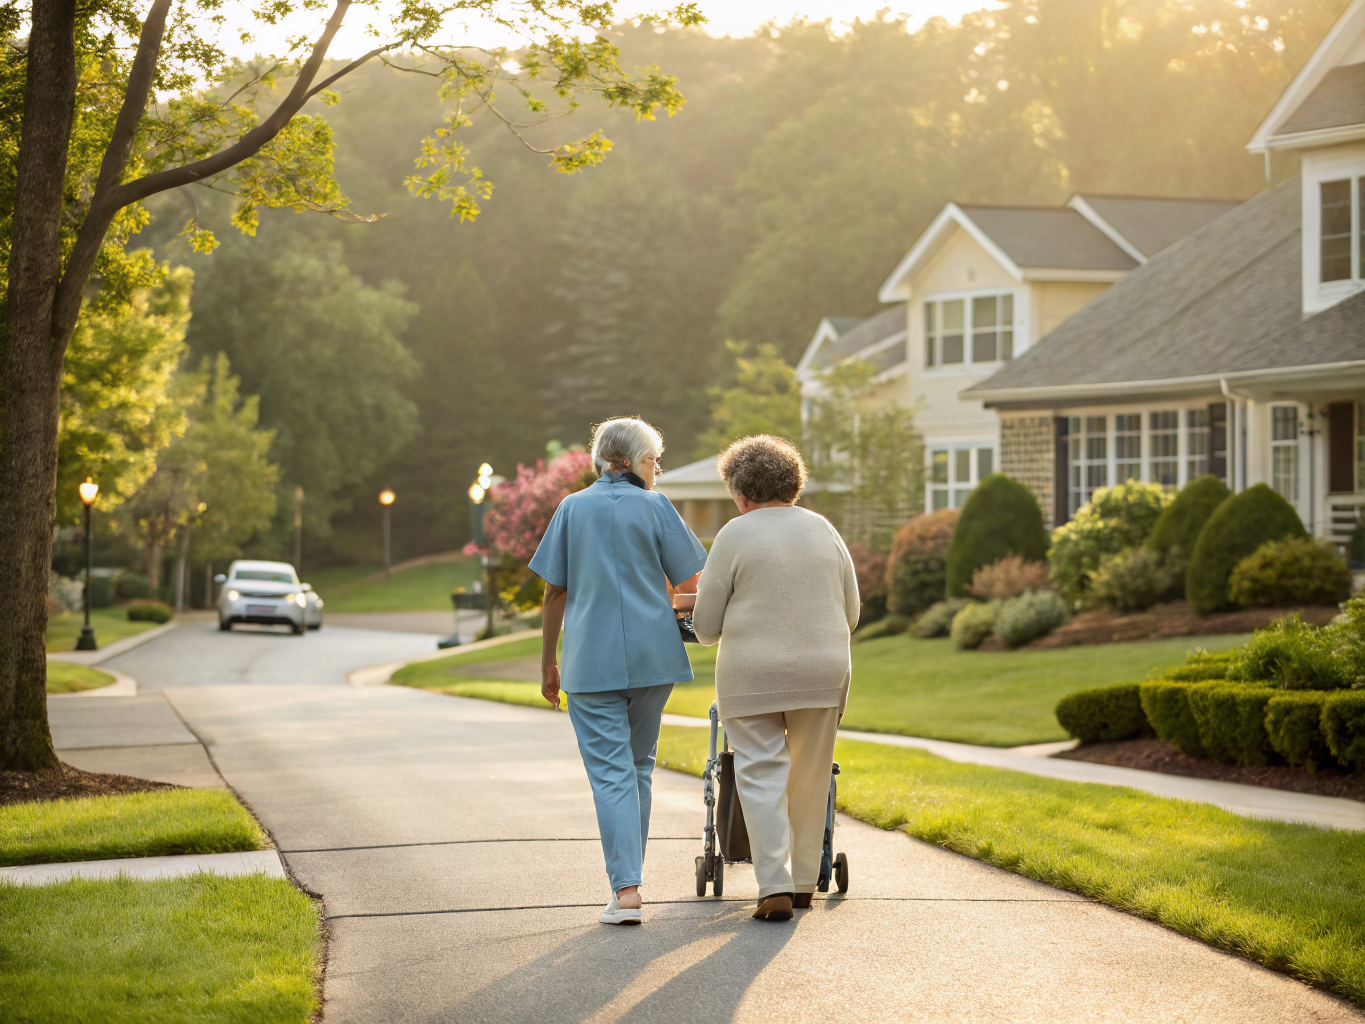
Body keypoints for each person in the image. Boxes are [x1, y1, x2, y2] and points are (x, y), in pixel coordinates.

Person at [529, 417, 708, 925]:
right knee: (638, 769)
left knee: (611, 775)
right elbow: (690, 579)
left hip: (590, 662)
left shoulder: (571, 508)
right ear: (628, 461)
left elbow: (554, 591)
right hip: (655, 659)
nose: (658, 470)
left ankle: (626, 891)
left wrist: (548, 661)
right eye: (654, 460)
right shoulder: (656, 507)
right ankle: (630, 881)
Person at [690, 434, 859, 921]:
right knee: (810, 773)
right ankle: (806, 881)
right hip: (823, 670)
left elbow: (705, 628)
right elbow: (851, 612)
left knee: (761, 772)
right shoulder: (824, 529)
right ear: (794, 485)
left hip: (751, 674)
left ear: (741, 494)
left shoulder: (732, 536)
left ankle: (774, 885)